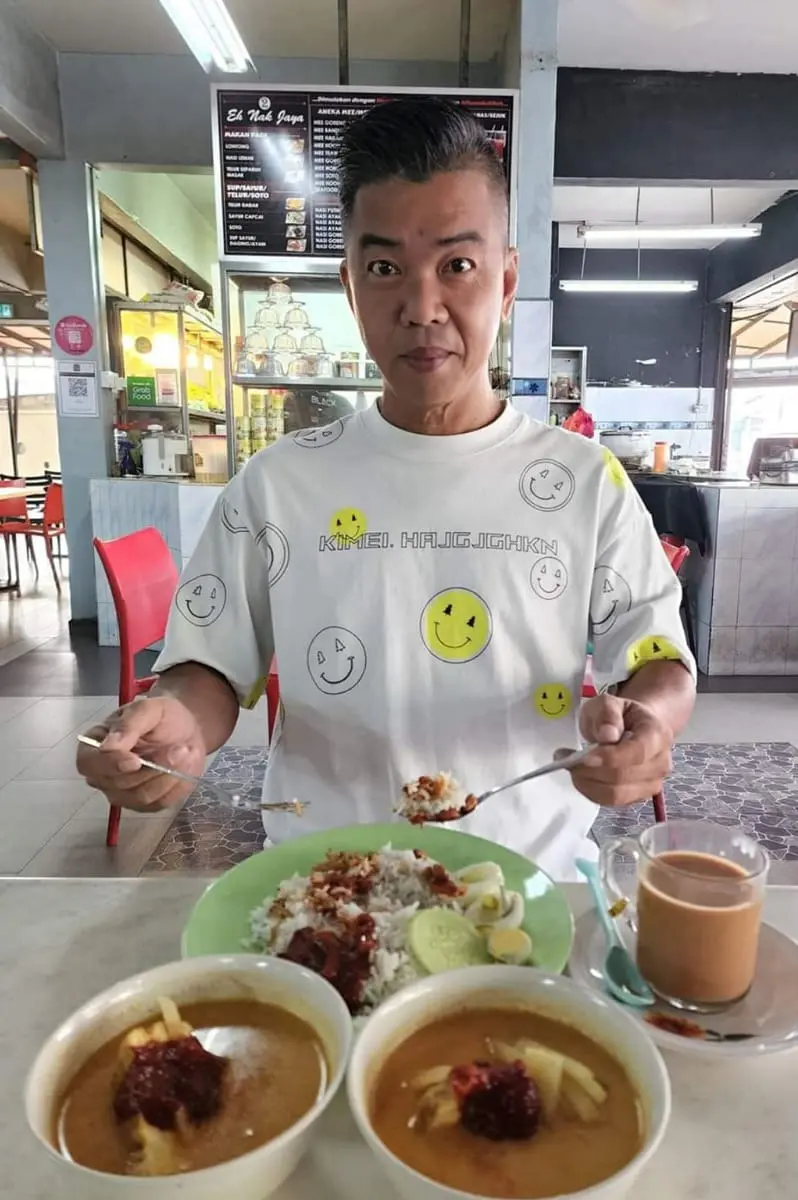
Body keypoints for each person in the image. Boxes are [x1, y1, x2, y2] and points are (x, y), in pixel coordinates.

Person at [77, 98, 695, 879]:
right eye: (384, 268)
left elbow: (656, 656)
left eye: (458, 266)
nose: (421, 306)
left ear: (505, 283)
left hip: (528, 882)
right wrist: (174, 726)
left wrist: (650, 721)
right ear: (350, 286)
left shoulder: (583, 481)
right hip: (323, 881)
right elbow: (208, 667)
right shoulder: (279, 485)